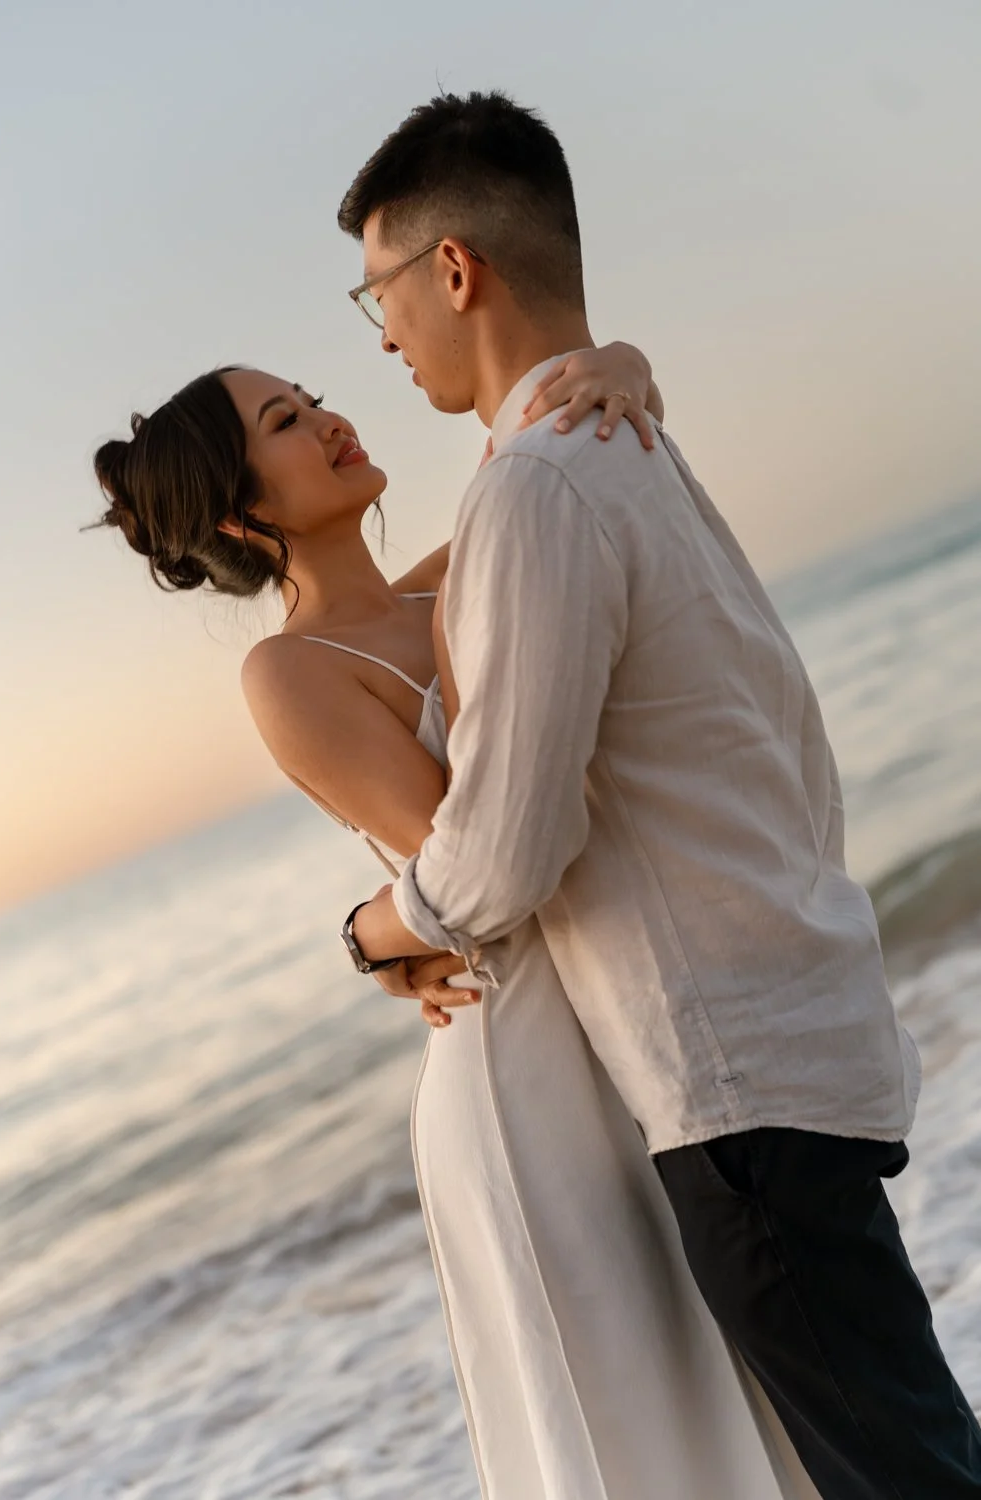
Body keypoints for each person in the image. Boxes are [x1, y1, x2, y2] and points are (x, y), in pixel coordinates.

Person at [340, 90, 981, 1499]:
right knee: (905, 1444)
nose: (378, 334)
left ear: (456, 270)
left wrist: (383, 928)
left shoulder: (543, 488)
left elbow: (511, 837)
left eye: (377, 290)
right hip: (798, 1024)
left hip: (736, 1079)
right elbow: (779, 732)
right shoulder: (628, 445)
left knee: (904, 1469)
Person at [90, 352, 813, 1495]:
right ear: (244, 513)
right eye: (287, 421)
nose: (328, 421)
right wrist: (369, 929)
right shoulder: (292, 671)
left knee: (750, 1377)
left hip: (628, 1028)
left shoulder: (454, 579)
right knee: (631, 1418)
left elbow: (555, 424)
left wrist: (623, 367)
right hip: (518, 1073)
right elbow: (480, 854)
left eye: (313, 396)